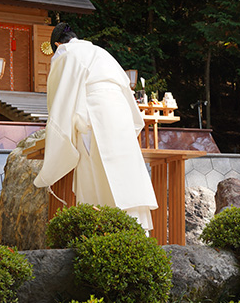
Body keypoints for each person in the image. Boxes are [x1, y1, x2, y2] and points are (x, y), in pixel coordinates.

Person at [33, 23, 158, 232]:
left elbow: (59, 99)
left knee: (96, 172)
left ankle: (101, 233)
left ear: (57, 44)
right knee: (126, 173)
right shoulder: (100, 52)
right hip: (121, 116)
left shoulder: (65, 53)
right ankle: (137, 230)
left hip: (95, 115)